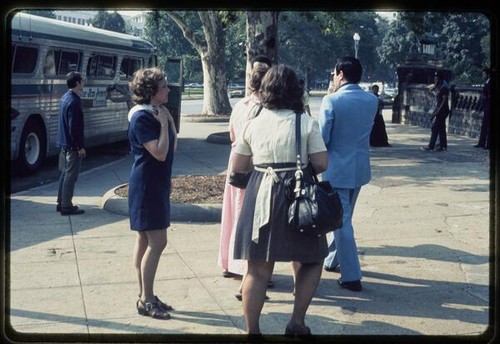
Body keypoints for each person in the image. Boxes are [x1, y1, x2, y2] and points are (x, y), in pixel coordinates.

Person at [232, 64, 328, 335]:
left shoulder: (252, 124)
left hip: (261, 193)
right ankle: (297, 322)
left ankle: (252, 331)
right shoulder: (306, 123)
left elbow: (238, 165)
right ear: (296, 91)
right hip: (298, 197)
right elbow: (321, 163)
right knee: (311, 259)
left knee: (258, 268)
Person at [318, 56, 379, 292]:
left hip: (336, 168)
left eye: (334, 73)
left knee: (341, 221)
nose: (333, 77)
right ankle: (333, 259)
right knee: (344, 217)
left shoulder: (331, 100)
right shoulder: (371, 100)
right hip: (359, 166)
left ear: (340, 73)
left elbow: (324, 139)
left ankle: (351, 275)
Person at [127, 67, 178, 320]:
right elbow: (159, 152)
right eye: (164, 86)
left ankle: (145, 294)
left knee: (145, 241)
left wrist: (168, 123)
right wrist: (161, 125)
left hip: (155, 182)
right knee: (158, 242)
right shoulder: (142, 118)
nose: (168, 89)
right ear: (151, 92)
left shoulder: (156, 113)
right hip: (146, 185)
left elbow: (171, 148)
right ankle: (146, 298)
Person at [218, 64, 270, 282]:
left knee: (232, 211)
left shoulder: (240, 105)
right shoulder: (266, 109)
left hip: (235, 160)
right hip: (253, 163)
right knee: (248, 214)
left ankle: (227, 261)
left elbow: (232, 134)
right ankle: (245, 265)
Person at [56, 71, 86, 216]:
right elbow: (74, 127)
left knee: (64, 173)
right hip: (72, 146)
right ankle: (66, 205)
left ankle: (60, 202)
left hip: (63, 143)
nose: (83, 82)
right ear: (77, 83)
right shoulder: (74, 101)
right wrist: (79, 147)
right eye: (82, 80)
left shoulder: (64, 98)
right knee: (71, 175)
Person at [421, 70, 450, 152]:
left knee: (435, 127)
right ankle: (443, 145)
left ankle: (431, 146)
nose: (435, 80)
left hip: (443, 110)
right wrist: (435, 112)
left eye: (437, 78)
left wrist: (437, 111)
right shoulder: (439, 87)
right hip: (440, 110)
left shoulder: (444, 88)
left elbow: (444, 101)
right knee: (441, 128)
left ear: (441, 79)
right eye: (435, 78)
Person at [474, 67, 490, 149]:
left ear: (488, 74)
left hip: (489, 106)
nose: (483, 76)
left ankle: (488, 144)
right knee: (484, 125)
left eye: (484, 74)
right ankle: (481, 143)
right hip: (486, 106)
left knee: (488, 126)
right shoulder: (487, 82)